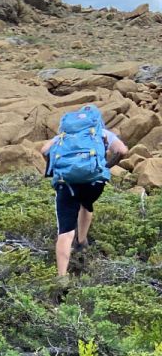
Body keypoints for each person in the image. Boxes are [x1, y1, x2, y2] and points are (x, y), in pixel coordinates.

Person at [41, 105, 128, 278]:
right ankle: (82, 242)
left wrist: (54, 168)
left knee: (65, 232)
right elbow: (122, 150)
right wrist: (106, 166)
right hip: (94, 183)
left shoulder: (64, 135)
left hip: (67, 183)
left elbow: (44, 150)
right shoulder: (102, 133)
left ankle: (61, 277)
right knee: (86, 204)